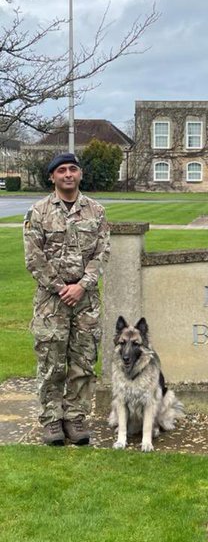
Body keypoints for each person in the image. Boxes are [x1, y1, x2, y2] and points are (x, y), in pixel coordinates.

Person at [23, 153, 111, 446]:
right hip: (51, 301)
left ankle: (75, 418)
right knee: (51, 361)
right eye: (61, 170)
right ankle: (51, 420)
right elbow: (33, 258)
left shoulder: (95, 211)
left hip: (85, 301)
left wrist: (83, 285)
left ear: (81, 174)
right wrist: (62, 287)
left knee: (83, 361)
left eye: (73, 169)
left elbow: (102, 252)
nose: (68, 174)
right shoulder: (38, 211)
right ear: (52, 177)